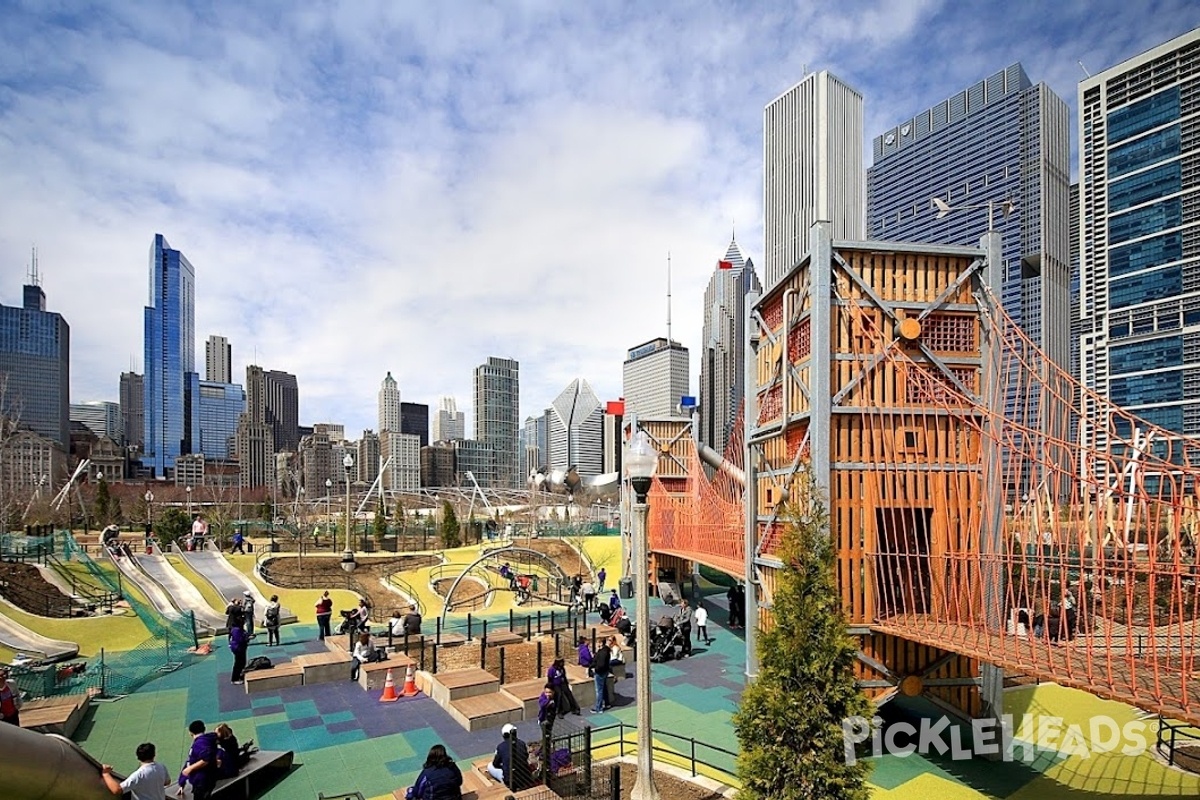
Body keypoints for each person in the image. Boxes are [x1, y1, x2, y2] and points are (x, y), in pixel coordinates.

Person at [101, 742, 171, 800]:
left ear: (138, 757)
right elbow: (167, 782)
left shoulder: (138, 775)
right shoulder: (161, 766)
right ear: (154, 754)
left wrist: (106, 773)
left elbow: (117, 790)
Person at [177, 720, 218, 800]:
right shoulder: (209, 740)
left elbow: (206, 759)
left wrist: (190, 768)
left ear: (190, 733)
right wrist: (182, 782)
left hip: (202, 781)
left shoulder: (200, 744)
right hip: (209, 778)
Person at [487, 723, 532, 790]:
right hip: (524, 778)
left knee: (490, 766)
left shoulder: (501, 747)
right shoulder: (522, 743)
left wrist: (503, 766)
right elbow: (525, 757)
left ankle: (505, 783)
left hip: (509, 780)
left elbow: (495, 764)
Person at [590, 638, 611, 713]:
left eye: (597, 642)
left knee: (599, 690)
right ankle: (607, 703)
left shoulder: (602, 653)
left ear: (601, 643)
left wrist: (595, 669)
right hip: (605, 671)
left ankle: (599, 708)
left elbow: (601, 664)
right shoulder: (606, 651)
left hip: (600, 672)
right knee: (604, 687)